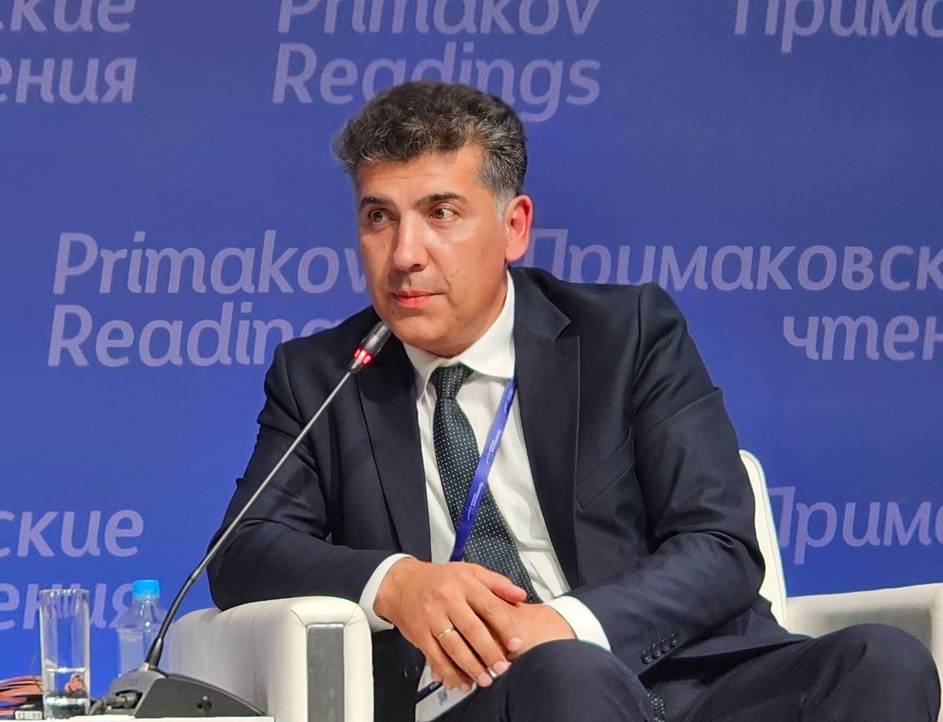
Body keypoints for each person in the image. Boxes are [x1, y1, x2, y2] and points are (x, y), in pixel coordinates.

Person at [207, 81, 940, 722]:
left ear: (514, 227)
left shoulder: (627, 335)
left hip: (680, 680)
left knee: (882, 660)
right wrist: (396, 583)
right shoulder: (325, 376)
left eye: (441, 212)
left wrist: (567, 622)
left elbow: (718, 543)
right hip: (486, 702)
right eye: (378, 217)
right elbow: (244, 549)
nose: (404, 254)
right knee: (565, 678)